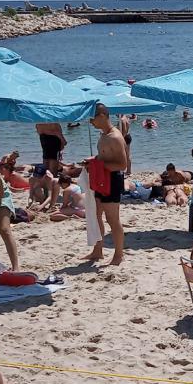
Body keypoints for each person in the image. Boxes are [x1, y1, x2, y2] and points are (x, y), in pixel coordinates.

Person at [81, 102, 129, 266]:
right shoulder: (103, 135)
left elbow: (123, 165)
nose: (91, 122)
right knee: (96, 215)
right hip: (101, 178)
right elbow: (104, 158)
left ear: (102, 116)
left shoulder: (115, 137)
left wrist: (98, 166)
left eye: (92, 119)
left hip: (112, 180)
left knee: (112, 219)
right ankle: (97, 250)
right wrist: (93, 161)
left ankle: (119, 254)